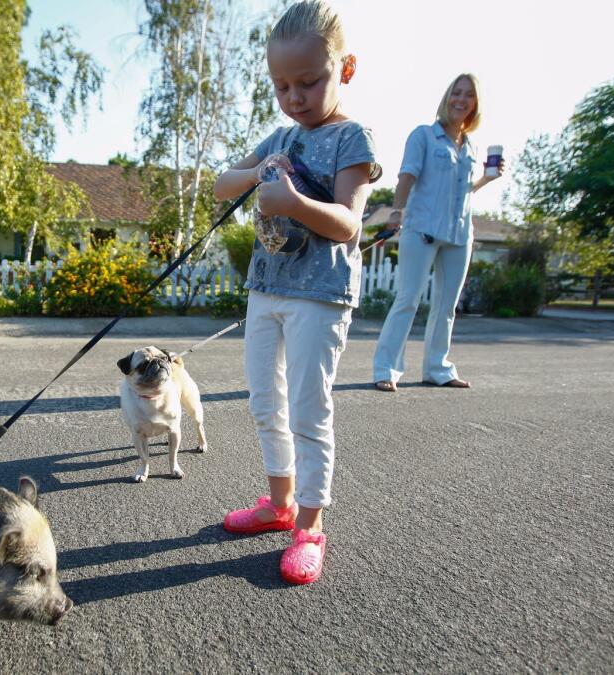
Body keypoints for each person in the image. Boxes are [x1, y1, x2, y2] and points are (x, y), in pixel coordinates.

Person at [213, 0, 380, 585]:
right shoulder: (280, 134)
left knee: (309, 409)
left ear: (346, 69)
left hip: (320, 295)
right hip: (268, 288)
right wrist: (259, 175)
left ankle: (308, 525)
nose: (294, 97)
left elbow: (349, 223)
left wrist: (292, 202)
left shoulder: (352, 139)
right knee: (265, 402)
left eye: (309, 81)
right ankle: (278, 502)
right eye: (282, 85)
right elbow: (219, 185)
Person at [371, 74, 505, 393]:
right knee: (408, 299)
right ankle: (386, 369)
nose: (461, 99)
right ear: (446, 98)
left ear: (475, 104)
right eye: (456, 93)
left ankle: (438, 369)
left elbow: (461, 192)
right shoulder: (424, 136)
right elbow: (407, 176)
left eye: (469, 95)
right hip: (420, 228)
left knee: (446, 305)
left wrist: (488, 179)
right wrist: (397, 212)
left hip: (459, 232)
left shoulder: (470, 146)